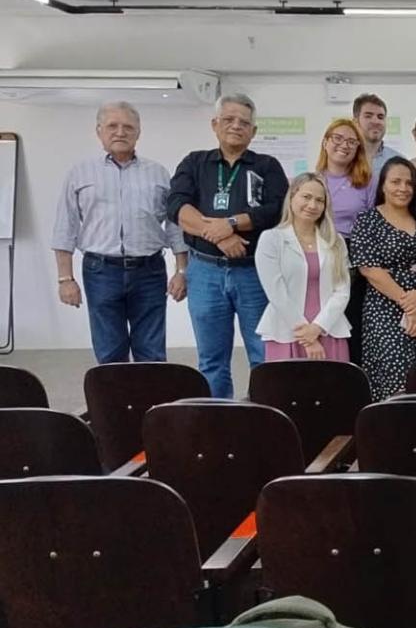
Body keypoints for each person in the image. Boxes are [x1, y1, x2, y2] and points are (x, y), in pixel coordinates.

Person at [168, 94, 288, 399]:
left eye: (244, 122)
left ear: (253, 131)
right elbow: (177, 207)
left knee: (264, 355)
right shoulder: (195, 162)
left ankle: (265, 417)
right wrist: (220, 234)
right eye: (229, 119)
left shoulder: (267, 166)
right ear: (215, 124)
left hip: (254, 273)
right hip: (204, 272)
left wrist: (232, 223)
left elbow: (276, 210)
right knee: (211, 359)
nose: (236, 126)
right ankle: (219, 419)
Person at [52, 100, 188, 363]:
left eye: (128, 127)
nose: (120, 132)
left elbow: (175, 227)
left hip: (149, 271)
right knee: (109, 352)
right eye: (112, 126)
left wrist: (182, 272)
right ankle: (115, 393)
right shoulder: (80, 173)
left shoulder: (158, 173)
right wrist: (64, 279)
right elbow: (65, 227)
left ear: (138, 132)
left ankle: (150, 392)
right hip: (101, 271)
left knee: (152, 352)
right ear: (99, 131)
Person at [348, 157, 416, 399]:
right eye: (396, 182)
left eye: (409, 183)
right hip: (386, 312)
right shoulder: (368, 220)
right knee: (395, 381)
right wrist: (409, 306)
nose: (403, 188)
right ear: (383, 185)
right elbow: (369, 269)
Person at [254, 172, 352, 362]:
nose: (312, 205)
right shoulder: (272, 239)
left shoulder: (335, 241)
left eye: (319, 200)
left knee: (333, 382)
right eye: (306, 197)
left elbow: (342, 291)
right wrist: (307, 337)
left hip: (329, 329)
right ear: (291, 197)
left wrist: (317, 328)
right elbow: (276, 292)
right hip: (286, 333)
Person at [315, 117, 375, 363]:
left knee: (351, 322)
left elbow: (373, 225)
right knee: (320, 318)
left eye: (352, 141)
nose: (344, 145)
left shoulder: (367, 182)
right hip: (318, 253)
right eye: (337, 138)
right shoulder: (313, 180)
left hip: (354, 256)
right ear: (325, 142)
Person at [352, 93, 403, 173]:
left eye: (380, 117)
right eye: (368, 116)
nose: (376, 121)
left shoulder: (399, 162)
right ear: (355, 122)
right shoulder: (343, 158)